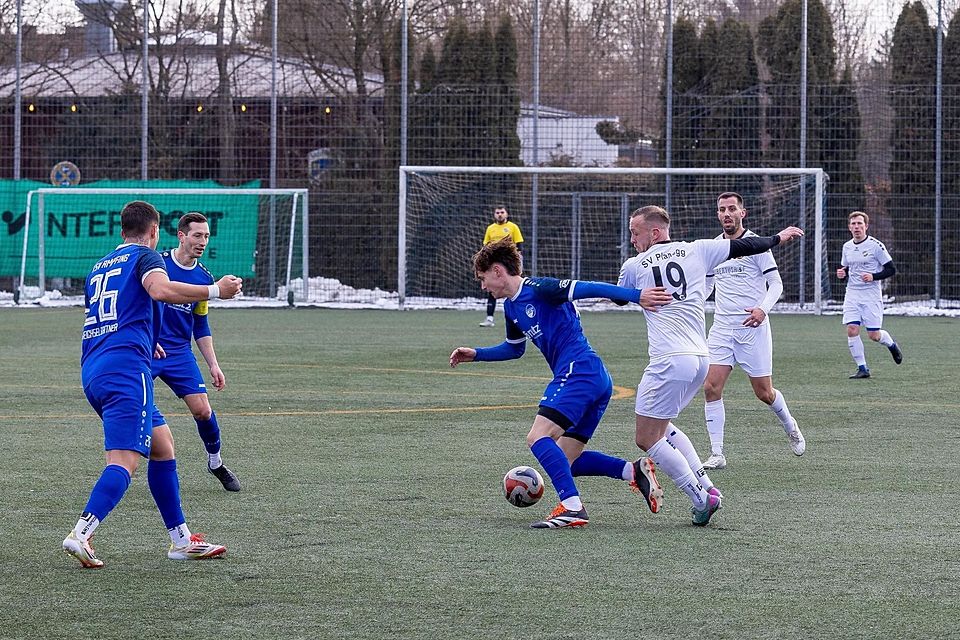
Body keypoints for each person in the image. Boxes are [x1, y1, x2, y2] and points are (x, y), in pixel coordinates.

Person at [62, 200, 242, 568]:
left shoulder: (98, 267)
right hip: (127, 372)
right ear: (156, 232)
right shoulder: (147, 258)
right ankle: (81, 533)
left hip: (94, 369)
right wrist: (215, 291)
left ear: (122, 229)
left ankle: (180, 540)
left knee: (163, 447)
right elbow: (160, 291)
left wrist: (147, 337)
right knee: (124, 461)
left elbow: (116, 314)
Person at [449, 238, 672, 529]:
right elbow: (514, 349)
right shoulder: (512, 309)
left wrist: (636, 295)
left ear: (497, 271)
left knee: (537, 437)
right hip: (593, 377)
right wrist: (476, 355)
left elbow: (589, 287)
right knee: (566, 460)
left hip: (578, 371)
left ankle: (572, 507)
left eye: (482, 279)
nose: (482, 287)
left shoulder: (541, 289)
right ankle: (633, 472)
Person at [618, 205, 803, 526]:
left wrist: (635, 292)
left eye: (635, 233)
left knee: (647, 438)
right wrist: (777, 238)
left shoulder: (635, 264)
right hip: (700, 359)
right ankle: (707, 485)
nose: (632, 239)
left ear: (655, 232)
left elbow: (619, 297)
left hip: (668, 360)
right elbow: (745, 246)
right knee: (664, 427)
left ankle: (700, 498)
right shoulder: (698, 249)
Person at [700, 192, 805, 470]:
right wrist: (692, 300)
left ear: (742, 213)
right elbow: (708, 285)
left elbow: (777, 284)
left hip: (753, 329)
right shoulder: (713, 248)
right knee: (711, 387)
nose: (726, 213)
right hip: (722, 328)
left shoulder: (757, 245)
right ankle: (717, 453)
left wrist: (762, 309)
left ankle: (790, 425)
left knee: (764, 393)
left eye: (731, 208)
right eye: (722, 209)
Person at [152, 212, 240, 491]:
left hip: (178, 352)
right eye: (197, 235)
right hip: (148, 347)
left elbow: (200, 325)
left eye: (206, 236)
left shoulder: (204, 278)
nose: (202, 241)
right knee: (133, 404)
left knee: (203, 410)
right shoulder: (159, 265)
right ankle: (123, 463)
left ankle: (215, 462)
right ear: (181, 236)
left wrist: (213, 364)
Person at [837, 211, 903, 379]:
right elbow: (845, 268)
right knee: (852, 329)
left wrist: (873, 276)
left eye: (860, 223)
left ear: (866, 226)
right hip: (852, 293)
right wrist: (842, 273)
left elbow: (891, 269)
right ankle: (863, 368)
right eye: (853, 224)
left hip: (871, 295)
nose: (857, 227)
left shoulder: (876, 246)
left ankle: (892, 345)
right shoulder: (847, 247)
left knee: (874, 335)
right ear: (849, 227)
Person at [479, 205, 523, 327]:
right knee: (491, 288)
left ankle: (518, 318)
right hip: (494, 264)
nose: (500, 214)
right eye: (497, 212)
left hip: (508, 263)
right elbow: (485, 247)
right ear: (494, 214)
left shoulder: (513, 227)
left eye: (502, 212)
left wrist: (517, 263)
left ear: (506, 214)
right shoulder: (490, 229)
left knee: (514, 289)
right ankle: (489, 318)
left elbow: (519, 246)